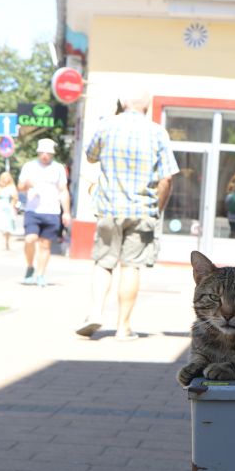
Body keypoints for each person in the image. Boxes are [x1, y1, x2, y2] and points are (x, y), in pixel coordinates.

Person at [76, 87, 179, 340]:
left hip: (109, 207)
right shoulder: (157, 132)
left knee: (103, 262)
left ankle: (95, 313)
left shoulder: (107, 126)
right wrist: (157, 209)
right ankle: (123, 328)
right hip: (142, 210)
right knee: (131, 267)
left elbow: (90, 157)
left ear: (121, 103)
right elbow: (167, 177)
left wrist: (112, 117)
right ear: (148, 105)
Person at [17, 138, 71, 286]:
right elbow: (20, 186)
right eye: (42, 152)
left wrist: (66, 212)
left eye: (48, 152)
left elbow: (63, 190)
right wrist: (27, 184)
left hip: (52, 211)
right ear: (38, 152)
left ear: (52, 154)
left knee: (45, 245)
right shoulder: (29, 166)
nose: (45, 155)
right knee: (30, 239)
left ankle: (40, 274)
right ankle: (30, 267)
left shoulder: (58, 168)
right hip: (33, 210)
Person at [0, 172, 17, 250]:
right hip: (0, 207)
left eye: (7, 177)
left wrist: (12, 206)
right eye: (4, 177)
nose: (5, 179)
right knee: (0, 225)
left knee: (8, 226)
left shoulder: (12, 187)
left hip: (8, 207)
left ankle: (7, 242)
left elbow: (15, 198)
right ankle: (1, 243)